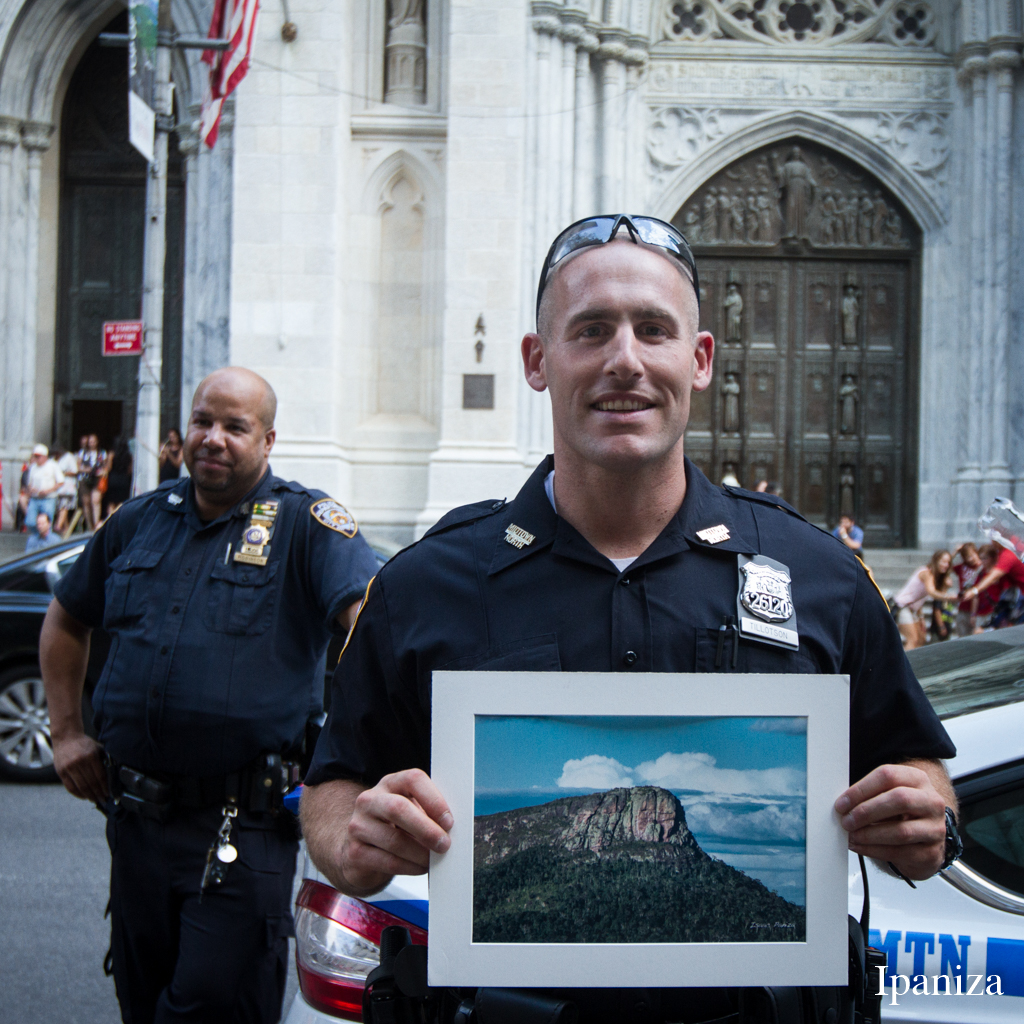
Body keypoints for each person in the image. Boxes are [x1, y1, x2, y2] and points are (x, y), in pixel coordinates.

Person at [300, 215, 958, 1023]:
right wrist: (349, 844)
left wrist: (928, 820)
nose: (626, 361)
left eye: (654, 330)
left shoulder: (818, 575)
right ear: (538, 363)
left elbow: (919, 767)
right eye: (591, 331)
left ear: (701, 359)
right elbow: (332, 782)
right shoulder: (426, 585)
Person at [39, 367, 380, 1024]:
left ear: (269, 438)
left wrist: (359, 750)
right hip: (135, 822)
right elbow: (65, 619)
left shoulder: (306, 524)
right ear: (183, 431)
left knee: (214, 1008)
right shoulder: (140, 520)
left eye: (235, 426)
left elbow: (366, 622)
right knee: (142, 1000)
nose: (214, 439)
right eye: (203, 422)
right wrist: (65, 732)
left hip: (240, 827)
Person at [892, 550, 956, 650]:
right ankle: (904, 665)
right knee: (913, 639)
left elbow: (919, 599)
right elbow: (931, 592)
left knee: (922, 639)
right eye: (943, 561)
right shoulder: (926, 573)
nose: (946, 565)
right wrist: (948, 596)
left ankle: (915, 663)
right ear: (935, 561)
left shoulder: (934, 576)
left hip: (913, 610)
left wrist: (921, 617)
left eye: (948, 563)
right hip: (902, 607)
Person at [960, 540, 1024, 629]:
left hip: (1005, 606)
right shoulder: (983, 572)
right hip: (990, 610)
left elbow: (995, 575)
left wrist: (974, 590)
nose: (991, 542)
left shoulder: (1008, 555)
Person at [25, 444, 64, 535]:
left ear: (45, 456)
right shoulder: (33, 467)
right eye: (35, 456)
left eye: (38, 456)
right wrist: (32, 489)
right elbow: (29, 483)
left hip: (48, 498)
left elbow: (61, 482)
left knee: (47, 522)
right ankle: (38, 537)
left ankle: (46, 540)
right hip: (35, 498)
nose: (36, 458)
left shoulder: (53, 465)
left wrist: (48, 490)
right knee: (30, 522)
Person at [952, 543, 983, 637]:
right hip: (963, 608)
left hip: (979, 610)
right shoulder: (962, 567)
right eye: (968, 557)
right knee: (962, 637)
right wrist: (955, 552)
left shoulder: (983, 567)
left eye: (973, 555)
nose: (971, 559)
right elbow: (947, 566)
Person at [78, 434, 106, 531]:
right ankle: (89, 526)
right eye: (90, 441)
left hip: (97, 479)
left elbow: (106, 468)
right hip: (85, 479)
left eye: (93, 441)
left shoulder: (102, 453)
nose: (91, 443)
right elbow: (78, 467)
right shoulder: (83, 453)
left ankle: (96, 525)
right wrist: (86, 470)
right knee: (86, 503)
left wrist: (102, 472)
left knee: (96, 501)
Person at [101, 436, 133, 521]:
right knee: (121, 502)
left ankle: (110, 520)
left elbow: (108, 468)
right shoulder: (129, 455)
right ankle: (118, 520)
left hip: (113, 479)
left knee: (111, 503)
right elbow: (130, 470)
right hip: (124, 480)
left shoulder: (112, 454)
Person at [54, 447, 80, 534]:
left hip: (67, 486)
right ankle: (65, 528)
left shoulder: (69, 457)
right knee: (59, 506)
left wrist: (62, 473)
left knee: (64, 506)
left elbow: (75, 471)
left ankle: (58, 525)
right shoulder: (54, 458)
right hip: (58, 487)